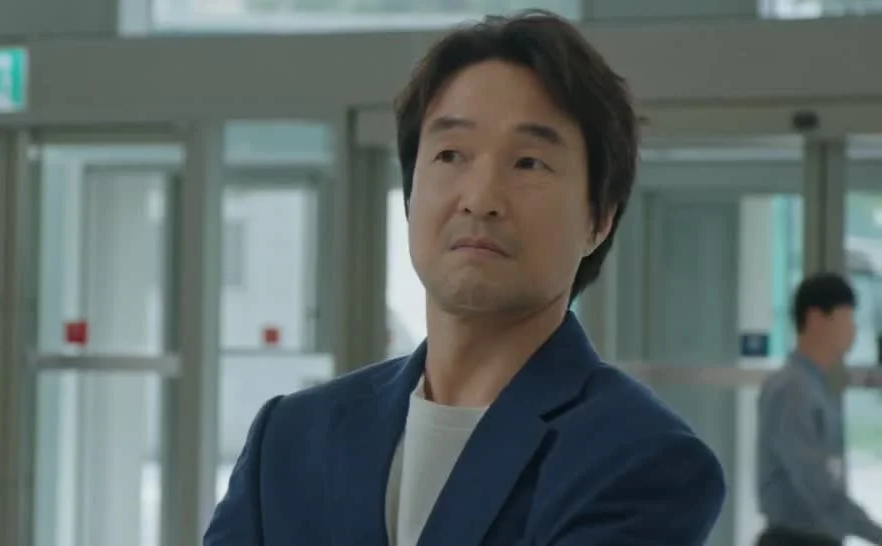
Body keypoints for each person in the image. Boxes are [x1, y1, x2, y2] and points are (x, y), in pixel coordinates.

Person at [205, 10, 725, 546]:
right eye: (450, 154)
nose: (479, 199)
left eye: (529, 163)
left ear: (599, 219)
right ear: (411, 193)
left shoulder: (641, 460)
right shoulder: (291, 439)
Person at [757, 273, 882, 546]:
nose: (853, 330)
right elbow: (817, 486)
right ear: (816, 319)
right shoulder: (793, 390)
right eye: (845, 318)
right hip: (795, 540)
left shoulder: (816, 387)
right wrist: (875, 533)